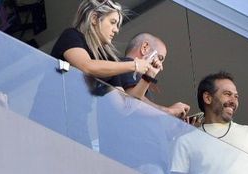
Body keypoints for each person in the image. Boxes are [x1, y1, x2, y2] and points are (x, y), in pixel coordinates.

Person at [29, 0, 154, 147]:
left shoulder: (107, 61)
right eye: (113, 22)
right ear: (94, 18)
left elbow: (124, 107)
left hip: (78, 130)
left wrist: (147, 77)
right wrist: (133, 65)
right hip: (48, 120)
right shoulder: (72, 36)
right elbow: (87, 66)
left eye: (118, 25)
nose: (116, 30)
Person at [98, 32, 190, 174]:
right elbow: (132, 102)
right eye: (160, 58)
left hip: (140, 160)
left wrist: (173, 130)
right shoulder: (128, 66)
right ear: (145, 47)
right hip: (139, 159)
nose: (161, 65)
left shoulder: (133, 74)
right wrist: (168, 111)